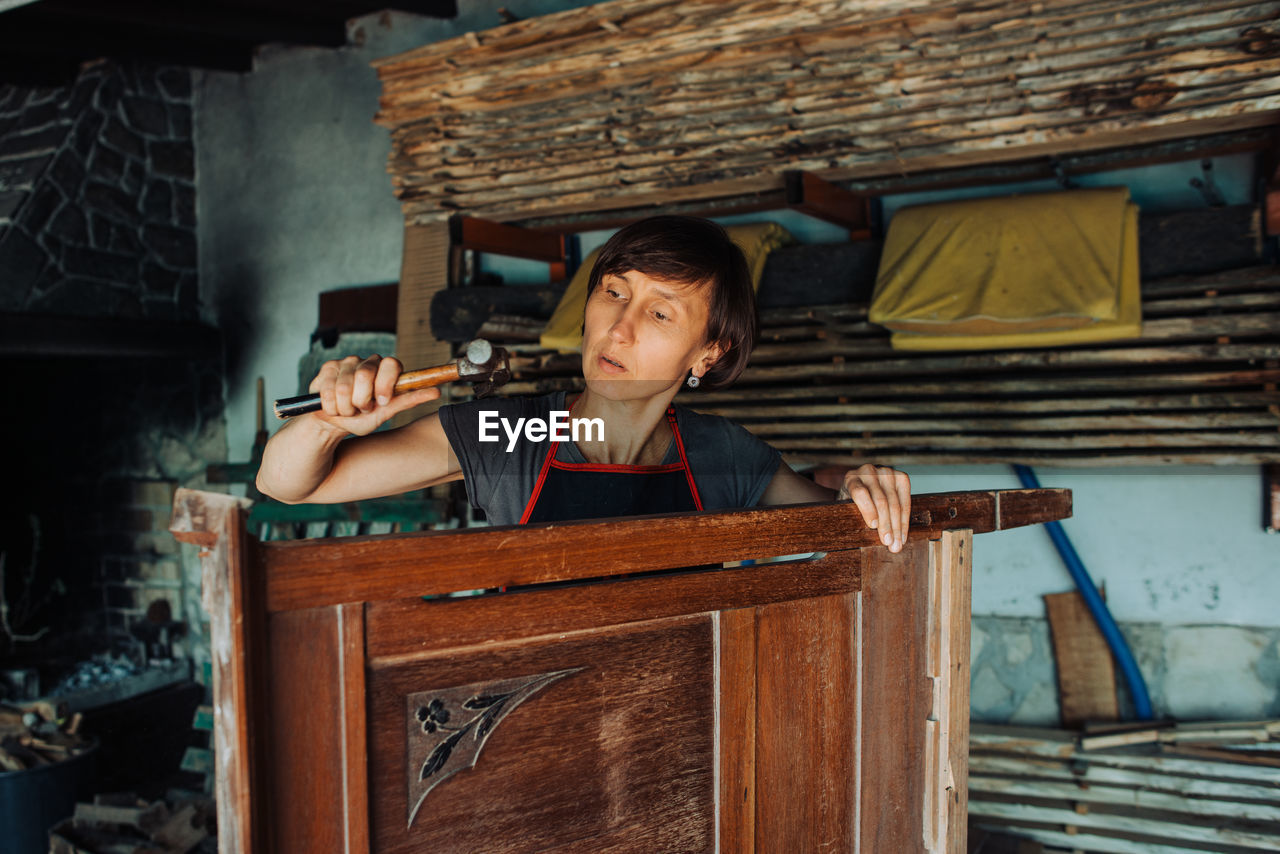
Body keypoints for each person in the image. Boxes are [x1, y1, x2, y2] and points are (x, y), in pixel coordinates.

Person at [257, 216, 912, 552]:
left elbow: (837, 521)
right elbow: (286, 485)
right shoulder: (520, 429)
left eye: (659, 311)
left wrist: (858, 482)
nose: (618, 329)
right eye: (613, 293)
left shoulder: (726, 456)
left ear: (707, 354)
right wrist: (326, 421)